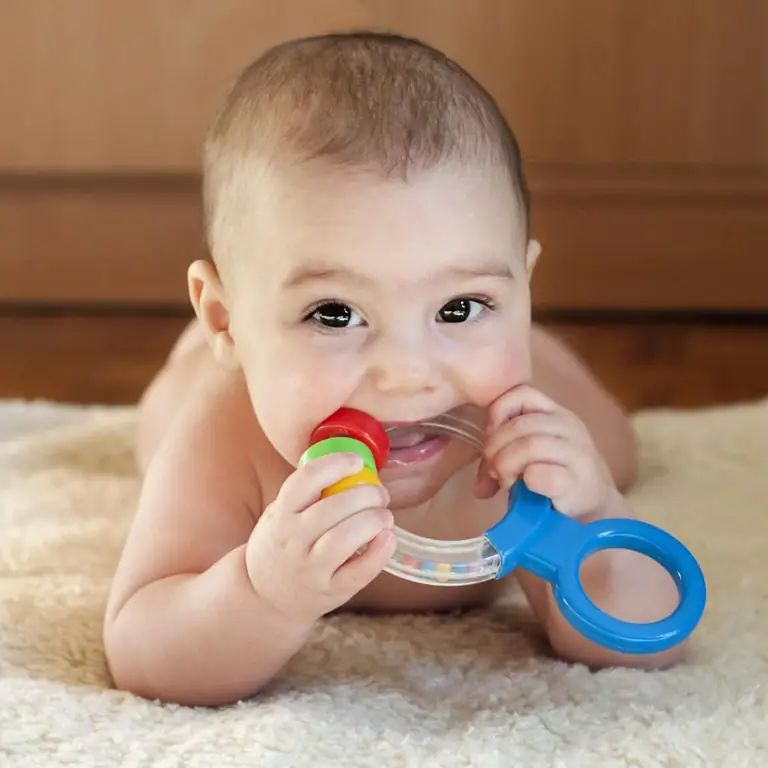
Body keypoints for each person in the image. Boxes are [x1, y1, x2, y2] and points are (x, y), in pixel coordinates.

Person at [103, 31, 681, 707]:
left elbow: (643, 640)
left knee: (611, 448)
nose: (408, 373)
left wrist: (597, 513)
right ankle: (208, 344)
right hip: (212, 383)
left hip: (512, 377)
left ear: (521, 289)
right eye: (335, 313)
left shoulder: (515, 448)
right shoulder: (225, 445)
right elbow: (145, 654)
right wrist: (261, 594)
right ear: (227, 321)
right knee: (164, 417)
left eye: (463, 305)